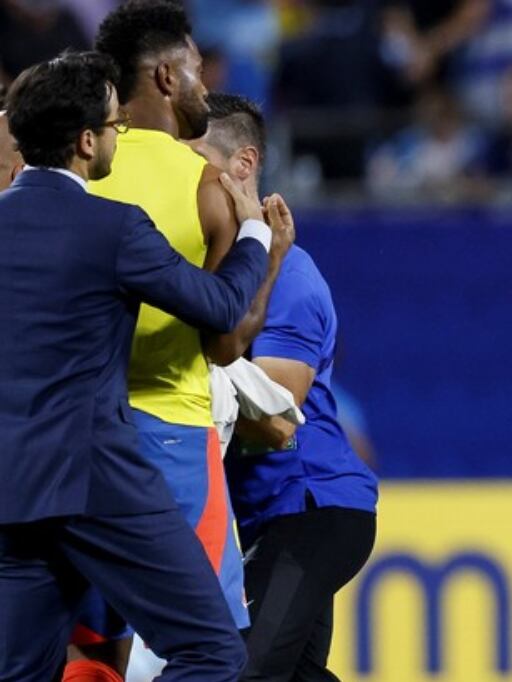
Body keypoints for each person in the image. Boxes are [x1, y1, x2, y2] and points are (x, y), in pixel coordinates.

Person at [0, 50, 290, 682]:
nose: (115, 139)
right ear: (84, 143)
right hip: (96, 477)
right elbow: (217, 306)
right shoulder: (112, 227)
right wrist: (252, 238)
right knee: (212, 651)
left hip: (12, 487)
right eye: (111, 127)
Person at [69, 1, 283, 675]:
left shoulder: (75, 169)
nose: (202, 81)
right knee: (205, 642)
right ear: (164, 77)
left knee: (87, 639)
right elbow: (223, 346)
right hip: (172, 439)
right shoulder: (206, 184)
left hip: (72, 437)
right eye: (194, 68)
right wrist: (268, 257)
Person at [196, 92, 380, 681]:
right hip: (262, 514)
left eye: (193, 160)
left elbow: (278, 416)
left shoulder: (292, 277)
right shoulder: (202, 269)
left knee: (244, 671)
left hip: (312, 505)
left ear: (242, 167)